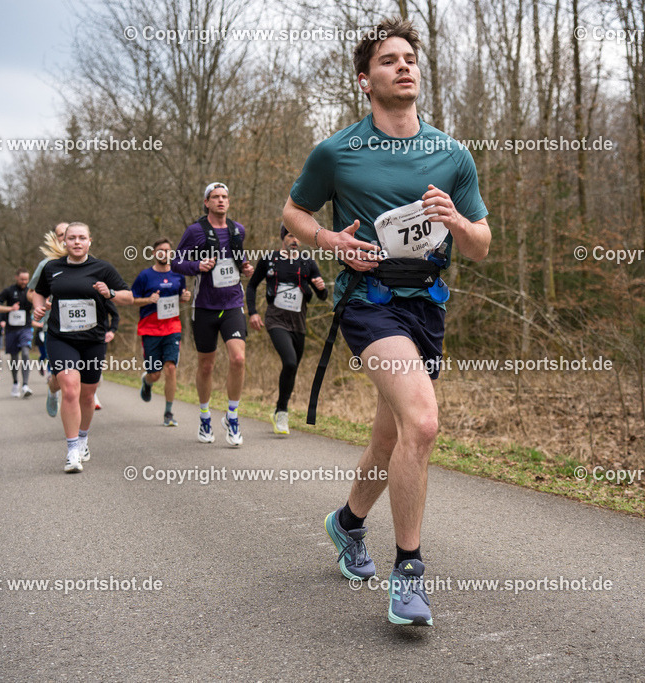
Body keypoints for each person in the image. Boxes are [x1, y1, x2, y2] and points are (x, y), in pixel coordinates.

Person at [281, 17, 490, 626]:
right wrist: (329, 240)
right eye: (389, 60)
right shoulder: (338, 151)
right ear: (364, 80)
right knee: (422, 424)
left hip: (427, 305)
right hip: (369, 303)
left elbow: (480, 245)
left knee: (390, 436)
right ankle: (409, 573)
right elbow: (292, 210)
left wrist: (456, 221)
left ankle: (346, 524)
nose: (404, 67)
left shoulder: (451, 153)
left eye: (410, 59)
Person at [30, 222, 133, 473]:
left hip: (92, 339)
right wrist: (39, 306)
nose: (77, 242)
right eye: (72, 238)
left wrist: (108, 292)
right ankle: (72, 449)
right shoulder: (52, 268)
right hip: (61, 338)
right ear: (64, 242)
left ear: (90, 241)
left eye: (82, 238)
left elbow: (127, 297)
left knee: (88, 394)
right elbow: (38, 292)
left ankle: (84, 438)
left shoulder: (102, 268)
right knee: (70, 390)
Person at [171, 182, 254, 446]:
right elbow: (176, 262)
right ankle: (205, 416)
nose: (221, 201)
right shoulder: (195, 231)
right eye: (215, 197)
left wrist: (247, 268)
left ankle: (232, 416)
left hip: (232, 304)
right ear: (206, 202)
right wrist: (197, 265)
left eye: (225, 197)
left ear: (229, 202)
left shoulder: (237, 229)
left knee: (238, 358)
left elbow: (237, 260)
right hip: (205, 307)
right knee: (206, 365)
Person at [246, 225, 328, 434]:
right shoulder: (269, 259)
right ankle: (282, 412)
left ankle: (279, 409)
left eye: (298, 237)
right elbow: (252, 285)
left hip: (299, 322)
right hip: (276, 319)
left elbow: (323, 296)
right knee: (289, 361)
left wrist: (321, 287)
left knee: (292, 368)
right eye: (291, 235)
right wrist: (253, 312)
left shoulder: (308, 262)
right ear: (283, 238)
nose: (295, 240)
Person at [130, 237, 191, 426]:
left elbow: (182, 296)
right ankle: (147, 381)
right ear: (154, 253)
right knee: (155, 373)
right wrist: (148, 300)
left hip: (172, 327)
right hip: (149, 328)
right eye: (160, 250)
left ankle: (168, 413)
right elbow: (132, 299)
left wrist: (185, 297)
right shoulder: (144, 276)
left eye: (167, 250)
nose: (164, 253)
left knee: (171, 368)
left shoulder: (178, 275)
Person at [29, 223, 68, 417]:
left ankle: (78, 430)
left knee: (84, 376)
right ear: (56, 238)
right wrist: (43, 305)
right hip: (54, 328)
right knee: (61, 376)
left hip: (83, 328)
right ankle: (53, 390)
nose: (66, 238)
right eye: (61, 234)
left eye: (69, 234)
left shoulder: (89, 262)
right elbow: (32, 293)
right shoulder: (46, 265)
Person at [0, 268, 35, 398]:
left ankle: (25, 385)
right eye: (22, 279)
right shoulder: (8, 291)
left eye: (26, 279)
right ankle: (16, 383)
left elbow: (39, 302)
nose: (24, 282)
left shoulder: (31, 290)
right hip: (11, 330)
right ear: (16, 277)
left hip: (26, 327)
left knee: (25, 352)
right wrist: (10, 308)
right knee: (14, 358)